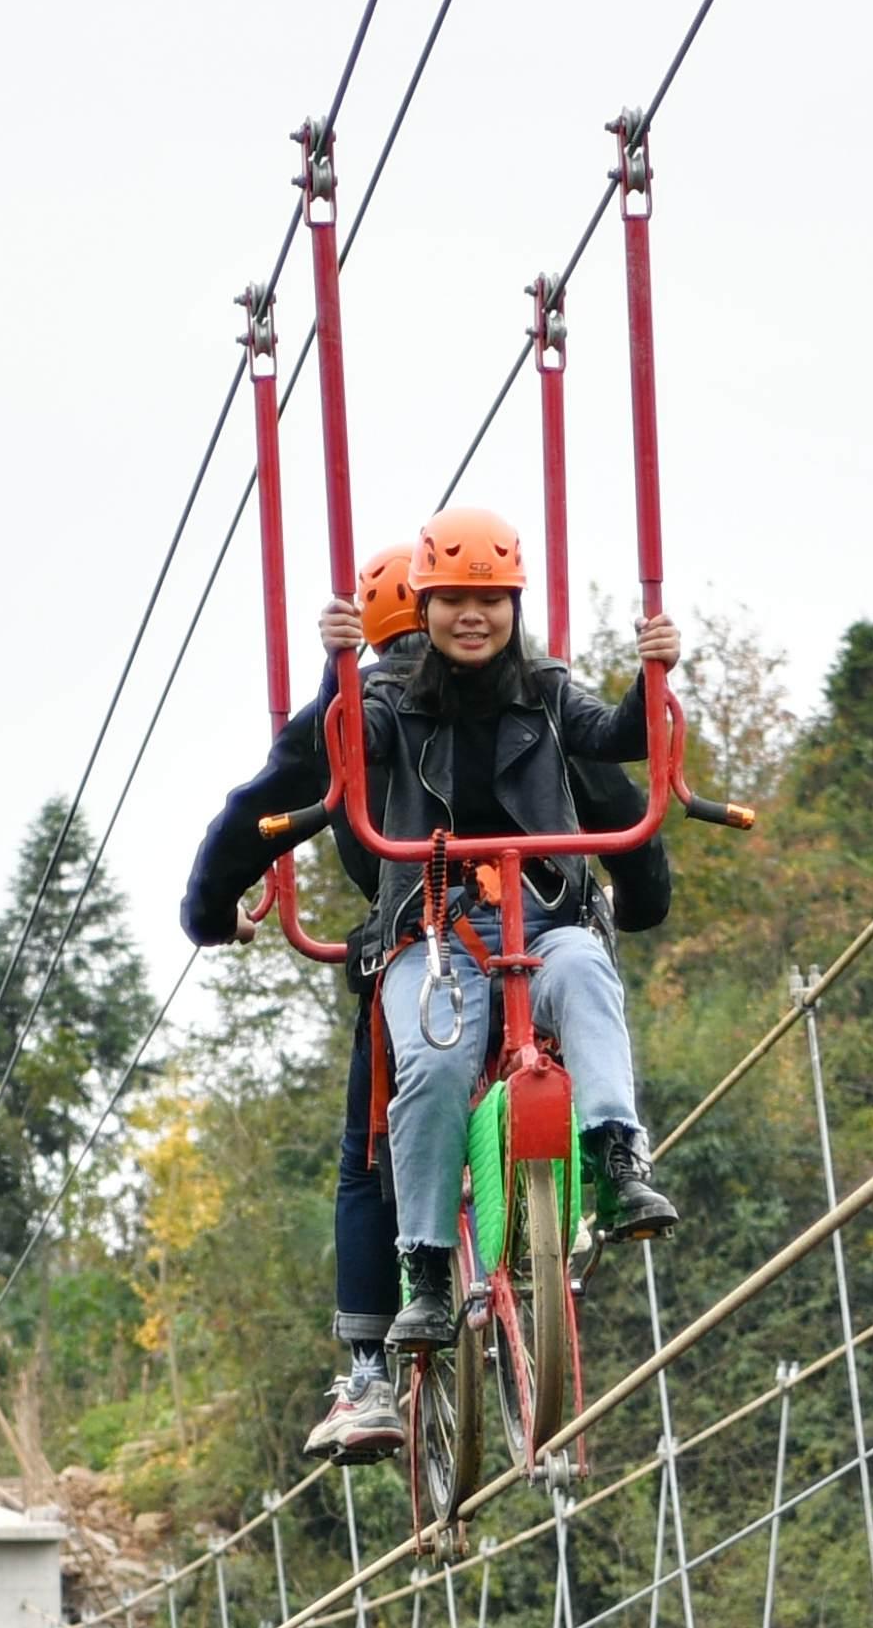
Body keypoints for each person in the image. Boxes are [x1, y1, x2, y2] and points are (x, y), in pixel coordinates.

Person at [185, 504, 685, 1365]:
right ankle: (424, 1270)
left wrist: (653, 677)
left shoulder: (546, 692)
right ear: (420, 611)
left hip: (541, 917)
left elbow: (613, 747)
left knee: (586, 972)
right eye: (450, 600)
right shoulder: (383, 701)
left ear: (513, 609)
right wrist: (337, 672)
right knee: (431, 1063)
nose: (471, 618)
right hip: (434, 934)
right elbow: (336, 749)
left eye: (489, 601)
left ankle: (616, 1155)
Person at [179, 551, 421, 1460]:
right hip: (539, 920)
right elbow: (609, 793)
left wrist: (208, 916)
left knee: (368, 1155)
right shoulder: (534, 695)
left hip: (419, 935)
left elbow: (256, 815)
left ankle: (368, 1365)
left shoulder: (356, 713)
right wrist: (639, 892)